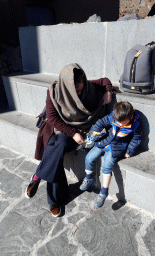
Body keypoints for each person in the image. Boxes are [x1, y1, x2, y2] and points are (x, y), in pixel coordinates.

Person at [25, 63, 118, 217]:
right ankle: (53, 200)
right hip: (60, 128)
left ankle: (38, 177)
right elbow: (53, 118)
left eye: (79, 84)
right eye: (73, 86)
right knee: (57, 145)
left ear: (83, 79)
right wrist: (72, 133)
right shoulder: (54, 92)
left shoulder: (88, 86)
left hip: (80, 129)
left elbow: (105, 81)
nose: (78, 89)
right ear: (66, 84)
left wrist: (108, 91)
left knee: (56, 147)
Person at [79, 101, 142, 208]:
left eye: (124, 122)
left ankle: (104, 192)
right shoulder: (112, 117)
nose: (121, 124)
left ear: (130, 116)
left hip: (116, 147)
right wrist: (93, 134)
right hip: (104, 141)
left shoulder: (135, 125)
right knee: (89, 157)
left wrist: (129, 152)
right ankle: (89, 178)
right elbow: (100, 123)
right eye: (119, 122)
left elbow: (136, 139)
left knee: (107, 166)